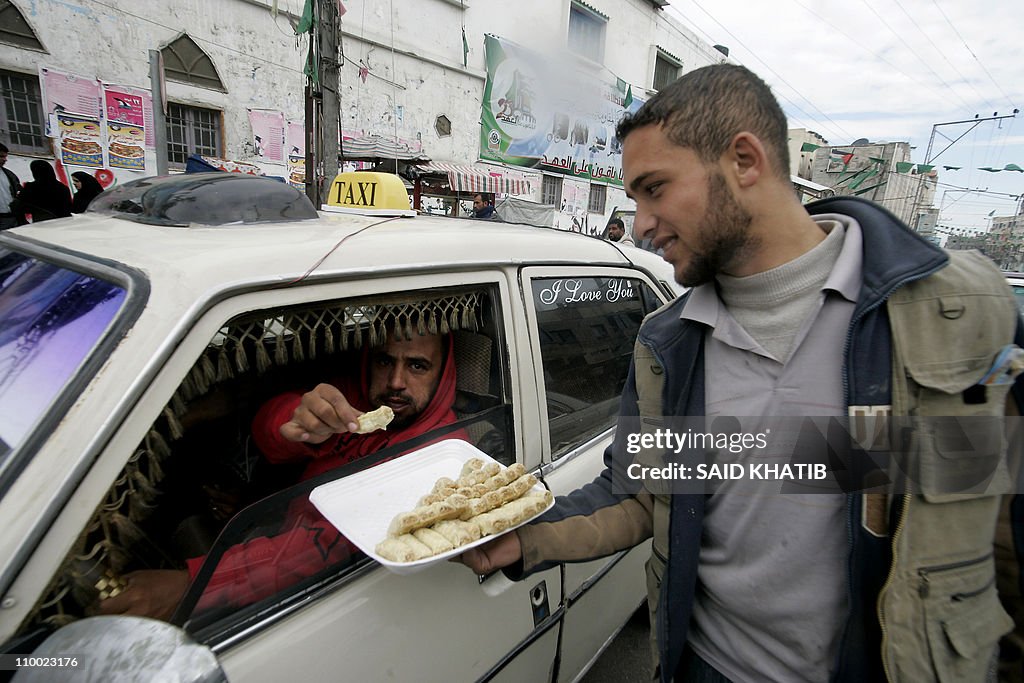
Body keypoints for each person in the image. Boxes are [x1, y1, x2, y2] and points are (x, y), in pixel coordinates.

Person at [459, 64, 1024, 682]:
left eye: (654, 188)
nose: (641, 223)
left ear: (744, 161)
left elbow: (992, 525)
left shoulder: (950, 310)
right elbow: (643, 494)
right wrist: (522, 538)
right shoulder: (668, 344)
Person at [97, 331, 461, 621]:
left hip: (309, 584)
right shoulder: (355, 398)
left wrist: (193, 584)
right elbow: (272, 430)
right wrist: (297, 422)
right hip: (269, 525)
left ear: (443, 374)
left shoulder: (440, 454)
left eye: (417, 366)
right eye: (385, 360)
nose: (396, 380)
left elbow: (325, 547)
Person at [0, 143, 23, 230]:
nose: (5, 160)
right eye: (1, 156)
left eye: (5, 157)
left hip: (10, 217)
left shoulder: (9, 175)